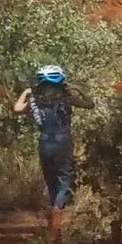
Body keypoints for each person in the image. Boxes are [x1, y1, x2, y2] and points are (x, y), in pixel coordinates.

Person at [11, 64, 86, 227]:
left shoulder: (35, 101)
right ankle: (57, 211)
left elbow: (17, 109)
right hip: (63, 141)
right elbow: (89, 104)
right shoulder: (66, 98)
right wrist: (78, 89)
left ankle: (54, 216)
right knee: (65, 179)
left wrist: (26, 92)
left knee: (51, 179)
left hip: (44, 141)